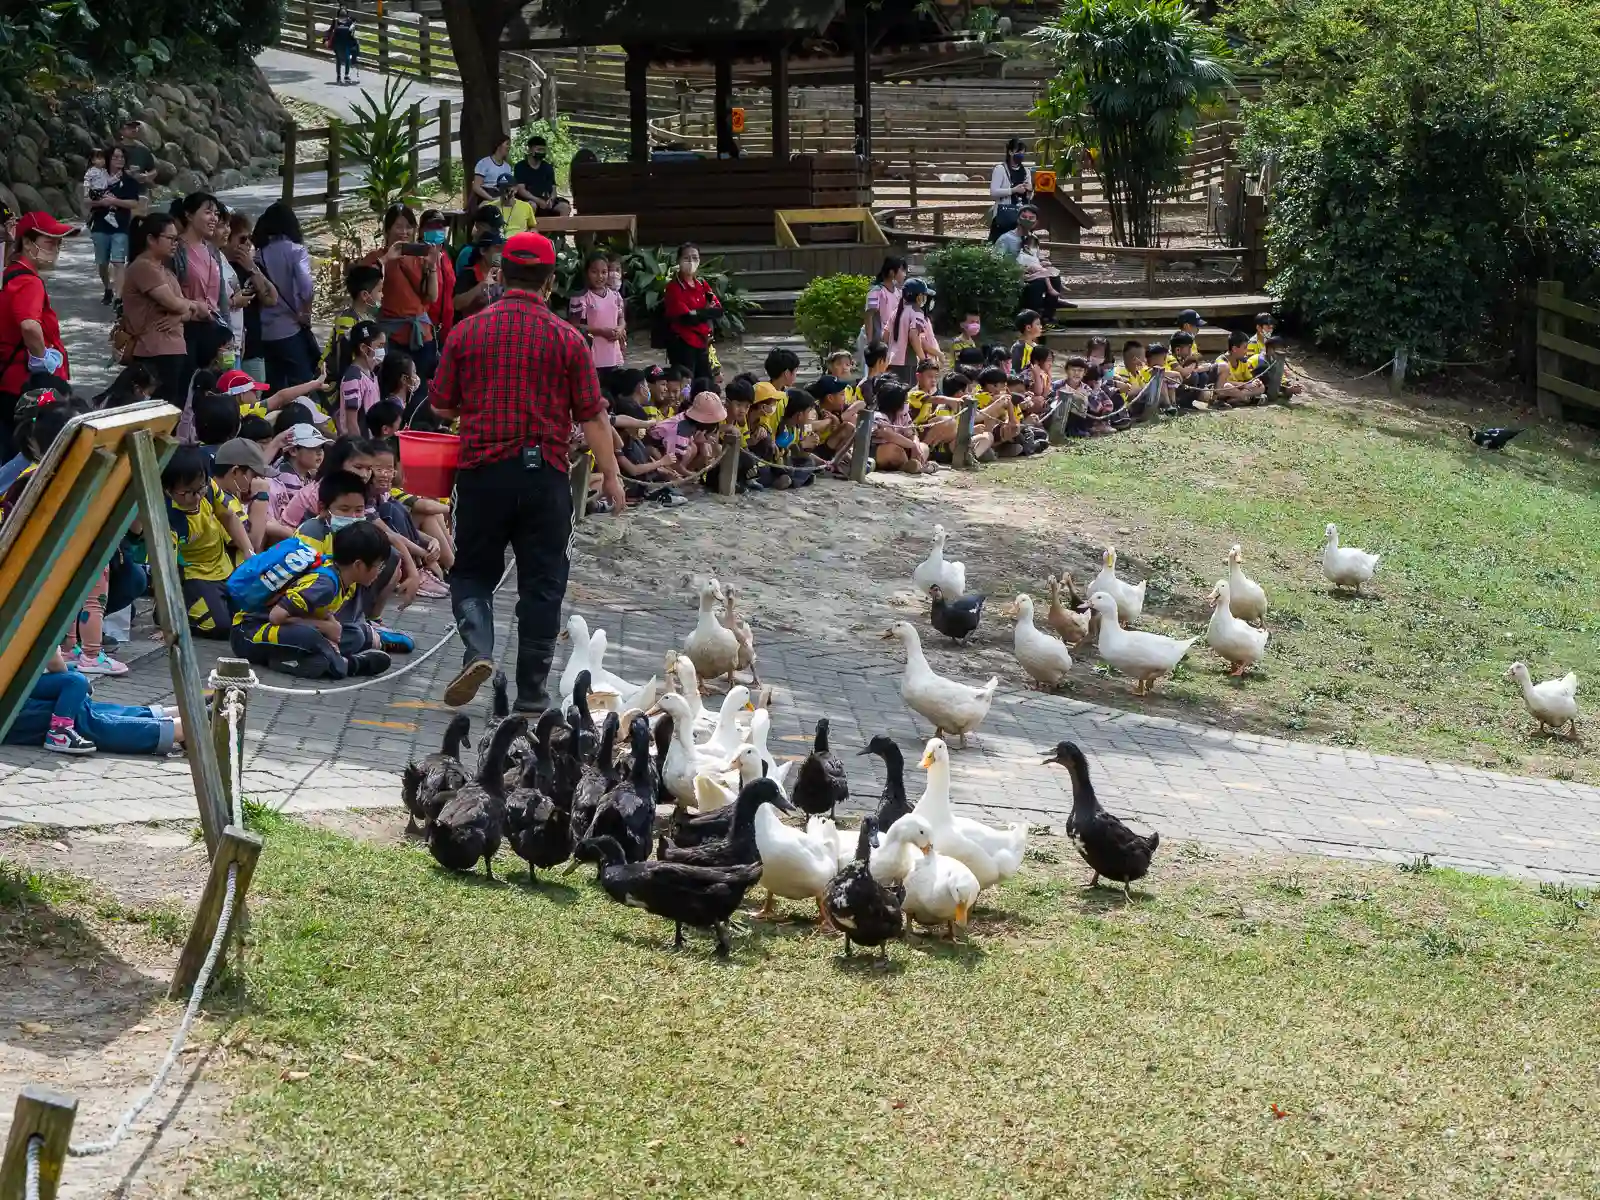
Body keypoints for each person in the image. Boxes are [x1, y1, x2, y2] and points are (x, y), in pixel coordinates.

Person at [429, 230, 623, 711]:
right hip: (546, 478)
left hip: (482, 474)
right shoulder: (568, 338)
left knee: (472, 573)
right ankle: (532, 694)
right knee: (543, 584)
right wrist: (613, 476)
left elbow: (440, 406)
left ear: (502, 274)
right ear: (550, 282)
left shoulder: (466, 331)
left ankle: (479, 650)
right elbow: (593, 415)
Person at [229, 519, 392, 681]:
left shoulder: (340, 576)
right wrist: (325, 627)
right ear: (358, 565)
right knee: (312, 637)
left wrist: (331, 625)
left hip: (282, 630)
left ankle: (310, 656)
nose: (379, 572)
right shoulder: (325, 585)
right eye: (379, 566)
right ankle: (348, 665)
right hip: (248, 633)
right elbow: (276, 616)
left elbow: (318, 612)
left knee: (356, 634)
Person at [0, 212, 77, 461]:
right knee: (31, 454)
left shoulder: (9, 273)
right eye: (49, 241)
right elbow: (30, 326)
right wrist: (42, 358)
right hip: (30, 389)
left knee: (9, 450)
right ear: (27, 243)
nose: (56, 249)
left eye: (58, 243)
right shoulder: (29, 282)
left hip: (9, 383)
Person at [6, 648, 182, 756]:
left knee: (81, 707)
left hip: (15, 697)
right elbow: (51, 656)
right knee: (86, 720)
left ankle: (177, 717)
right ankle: (185, 727)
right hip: (12, 712)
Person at [162, 444, 254, 638]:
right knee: (220, 626)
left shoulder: (208, 488)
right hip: (194, 575)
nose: (197, 497)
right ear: (168, 490)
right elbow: (167, 573)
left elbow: (229, 517)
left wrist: (248, 552)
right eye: (187, 493)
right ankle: (176, 611)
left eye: (200, 489)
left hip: (223, 567)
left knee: (250, 613)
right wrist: (168, 623)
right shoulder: (168, 518)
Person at [122, 214, 212, 408]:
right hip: (153, 352)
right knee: (157, 411)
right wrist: (192, 305)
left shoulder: (165, 270)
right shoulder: (143, 267)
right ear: (151, 239)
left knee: (173, 409)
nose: (175, 244)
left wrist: (182, 313)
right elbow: (176, 304)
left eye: (176, 239)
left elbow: (190, 312)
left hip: (173, 349)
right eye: (170, 239)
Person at [368, 204, 442, 379]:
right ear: (387, 230)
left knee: (422, 389)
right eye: (398, 226)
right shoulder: (375, 258)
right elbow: (365, 290)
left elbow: (432, 296)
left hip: (421, 335)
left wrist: (431, 266)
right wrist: (385, 260)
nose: (404, 232)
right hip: (390, 337)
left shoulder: (420, 258)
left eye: (409, 226)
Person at [253, 201, 318, 391]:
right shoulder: (296, 251)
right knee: (303, 386)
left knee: (273, 390)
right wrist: (305, 312)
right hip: (290, 329)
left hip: (265, 332)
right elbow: (306, 287)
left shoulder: (259, 255)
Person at [219, 211, 276, 381]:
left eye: (249, 238)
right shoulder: (219, 266)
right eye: (242, 239)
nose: (248, 244)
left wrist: (252, 269)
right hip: (227, 346)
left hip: (253, 347)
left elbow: (271, 298)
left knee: (254, 401)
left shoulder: (252, 267)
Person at [85, 147, 140, 305]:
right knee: (102, 263)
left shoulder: (129, 181)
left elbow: (134, 203)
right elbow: (87, 200)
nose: (119, 160)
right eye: (116, 157)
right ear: (109, 159)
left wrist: (115, 201)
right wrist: (101, 202)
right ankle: (108, 288)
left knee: (118, 262)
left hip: (121, 226)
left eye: (122, 157)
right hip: (100, 225)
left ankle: (118, 297)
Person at [568, 251, 626, 391]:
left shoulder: (615, 295)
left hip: (613, 353)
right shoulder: (581, 298)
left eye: (604, 272)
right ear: (586, 273)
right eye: (594, 272)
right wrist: (600, 331)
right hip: (593, 355)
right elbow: (573, 325)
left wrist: (620, 328)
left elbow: (621, 318)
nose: (600, 276)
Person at [662, 243, 720, 381]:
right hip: (682, 344)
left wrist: (698, 313)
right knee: (686, 386)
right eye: (686, 258)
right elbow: (687, 318)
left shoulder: (702, 284)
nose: (691, 262)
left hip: (702, 343)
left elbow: (718, 310)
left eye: (695, 258)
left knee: (706, 383)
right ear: (679, 261)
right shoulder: (674, 288)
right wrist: (705, 311)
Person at [268, 422, 330, 521]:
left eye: (321, 447)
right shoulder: (286, 477)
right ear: (293, 451)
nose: (319, 453)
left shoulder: (306, 473)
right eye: (313, 447)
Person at [870, 382, 935, 475]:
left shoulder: (903, 415)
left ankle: (916, 465)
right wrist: (912, 445)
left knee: (923, 446)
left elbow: (912, 434)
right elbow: (890, 435)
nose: (907, 404)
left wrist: (916, 445)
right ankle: (911, 466)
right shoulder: (878, 416)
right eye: (905, 401)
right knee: (892, 450)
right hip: (881, 452)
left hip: (905, 449)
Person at [887, 279, 939, 383]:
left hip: (892, 360)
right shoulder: (917, 312)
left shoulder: (897, 312)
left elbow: (885, 335)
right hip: (908, 361)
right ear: (919, 296)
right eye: (924, 295)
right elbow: (913, 336)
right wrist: (923, 360)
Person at [337, 320, 383, 437]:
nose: (382, 351)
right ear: (363, 348)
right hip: (360, 447)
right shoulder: (353, 379)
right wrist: (360, 449)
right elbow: (351, 422)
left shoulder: (371, 374)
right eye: (379, 346)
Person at [858, 257, 907, 362]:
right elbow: (869, 316)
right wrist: (870, 343)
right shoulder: (875, 292)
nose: (904, 274)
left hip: (888, 341)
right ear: (891, 272)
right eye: (902, 270)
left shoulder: (898, 292)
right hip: (876, 342)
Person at [451, 230, 505, 321]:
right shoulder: (469, 274)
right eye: (497, 248)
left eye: (502, 249)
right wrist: (481, 286)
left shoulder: (503, 275)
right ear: (483, 251)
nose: (500, 253)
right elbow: (456, 304)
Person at [514, 135, 570, 217]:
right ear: (530, 150)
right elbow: (521, 190)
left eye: (543, 150)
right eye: (539, 149)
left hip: (547, 200)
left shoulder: (548, 167)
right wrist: (538, 200)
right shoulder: (520, 166)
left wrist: (551, 199)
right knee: (531, 205)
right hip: (529, 200)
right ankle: (529, 229)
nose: (541, 152)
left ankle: (559, 230)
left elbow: (553, 189)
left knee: (565, 207)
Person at [990, 136, 1033, 241]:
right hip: (1004, 215)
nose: (1020, 155)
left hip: (1022, 215)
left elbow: (1029, 197)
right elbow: (993, 192)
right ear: (1010, 152)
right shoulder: (1000, 169)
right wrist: (1013, 190)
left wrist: (1030, 190)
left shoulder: (1026, 171)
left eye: (1022, 153)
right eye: (1018, 152)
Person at [1213, 331, 1266, 408]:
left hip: (1239, 389)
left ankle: (1235, 400)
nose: (1247, 351)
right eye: (1245, 348)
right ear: (1234, 349)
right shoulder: (1221, 361)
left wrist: (1254, 381)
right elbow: (1222, 383)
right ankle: (1246, 399)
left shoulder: (1243, 361)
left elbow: (1249, 379)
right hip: (1225, 390)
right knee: (1227, 386)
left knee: (1261, 387)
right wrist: (1244, 385)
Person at [471, 134, 516, 207]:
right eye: (507, 144)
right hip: (485, 198)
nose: (509, 147)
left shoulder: (507, 167)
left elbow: (509, 187)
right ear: (498, 145)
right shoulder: (484, 163)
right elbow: (476, 187)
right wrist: (491, 199)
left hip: (502, 197)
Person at [116, 119, 159, 195]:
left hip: (141, 192)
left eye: (135, 127)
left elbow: (154, 170)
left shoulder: (143, 150)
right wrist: (129, 175)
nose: (133, 130)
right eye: (129, 128)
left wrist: (146, 176)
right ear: (121, 131)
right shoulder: (116, 149)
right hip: (120, 192)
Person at [330, 8, 360, 84]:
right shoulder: (344, 21)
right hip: (342, 43)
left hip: (340, 43)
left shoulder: (338, 21)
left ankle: (341, 76)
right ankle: (343, 75)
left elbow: (331, 31)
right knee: (345, 59)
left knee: (341, 59)